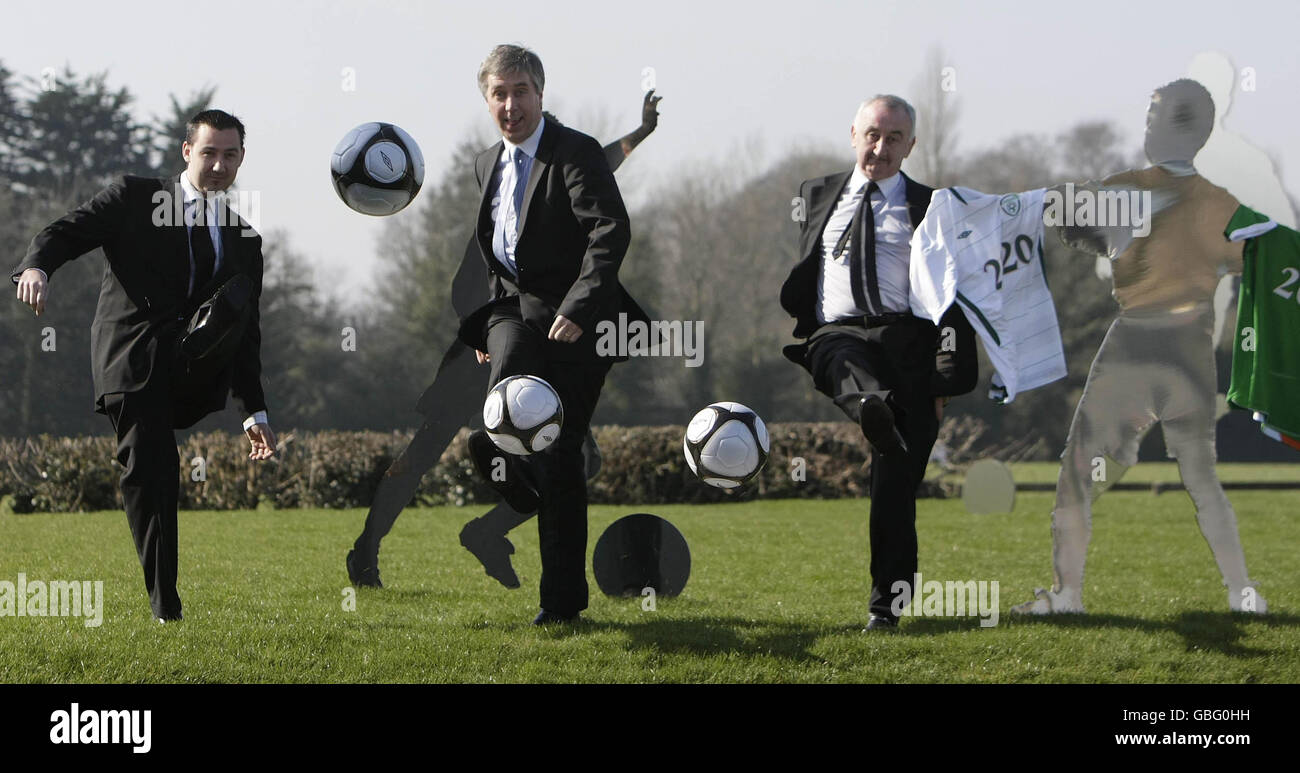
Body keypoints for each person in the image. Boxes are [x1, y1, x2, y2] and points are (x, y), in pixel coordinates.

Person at [345, 91, 661, 590]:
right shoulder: (504, 178)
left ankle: (488, 531)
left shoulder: (561, 170)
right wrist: (481, 329)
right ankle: (365, 550)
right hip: (485, 333)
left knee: (573, 458)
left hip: (536, 340)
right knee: (425, 452)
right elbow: (464, 287)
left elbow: (602, 162)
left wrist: (640, 134)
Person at [1013, 79, 1268, 615]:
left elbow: (1077, 229)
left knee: (1079, 471)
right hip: (1193, 348)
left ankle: (1066, 597)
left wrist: (1067, 205)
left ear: (1176, 128)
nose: (1145, 125)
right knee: (1202, 477)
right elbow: (1262, 271)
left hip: (1133, 340)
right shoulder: (1226, 206)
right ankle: (1243, 593)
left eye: (1152, 116)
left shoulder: (1124, 188)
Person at [11, 109, 277, 623]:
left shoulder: (245, 240)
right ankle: (165, 606)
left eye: (230, 155)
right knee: (154, 470)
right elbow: (67, 231)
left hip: (189, 374)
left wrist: (254, 412)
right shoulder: (135, 198)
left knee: (159, 462)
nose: (219, 165)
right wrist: (36, 266)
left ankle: (164, 602)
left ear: (241, 159)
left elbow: (246, 336)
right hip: (132, 360)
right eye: (208, 153)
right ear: (186, 152)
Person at [459, 44, 645, 625]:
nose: (510, 105)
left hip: (579, 326)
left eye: (520, 92)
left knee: (558, 454)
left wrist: (580, 306)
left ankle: (562, 607)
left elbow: (609, 233)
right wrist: (491, 318)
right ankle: (517, 486)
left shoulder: (576, 151)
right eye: (499, 94)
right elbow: (498, 249)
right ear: (486, 99)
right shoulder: (484, 162)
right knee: (492, 430)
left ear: (541, 93)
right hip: (516, 313)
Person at [779, 95, 977, 631]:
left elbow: (954, 299)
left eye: (893, 139)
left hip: (907, 342)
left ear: (910, 146)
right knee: (840, 357)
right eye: (872, 134)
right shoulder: (816, 194)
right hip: (837, 332)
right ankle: (871, 404)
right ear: (853, 134)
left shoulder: (935, 206)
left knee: (894, 488)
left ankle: (885, 608)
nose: (880, 148)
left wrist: (944, 384)